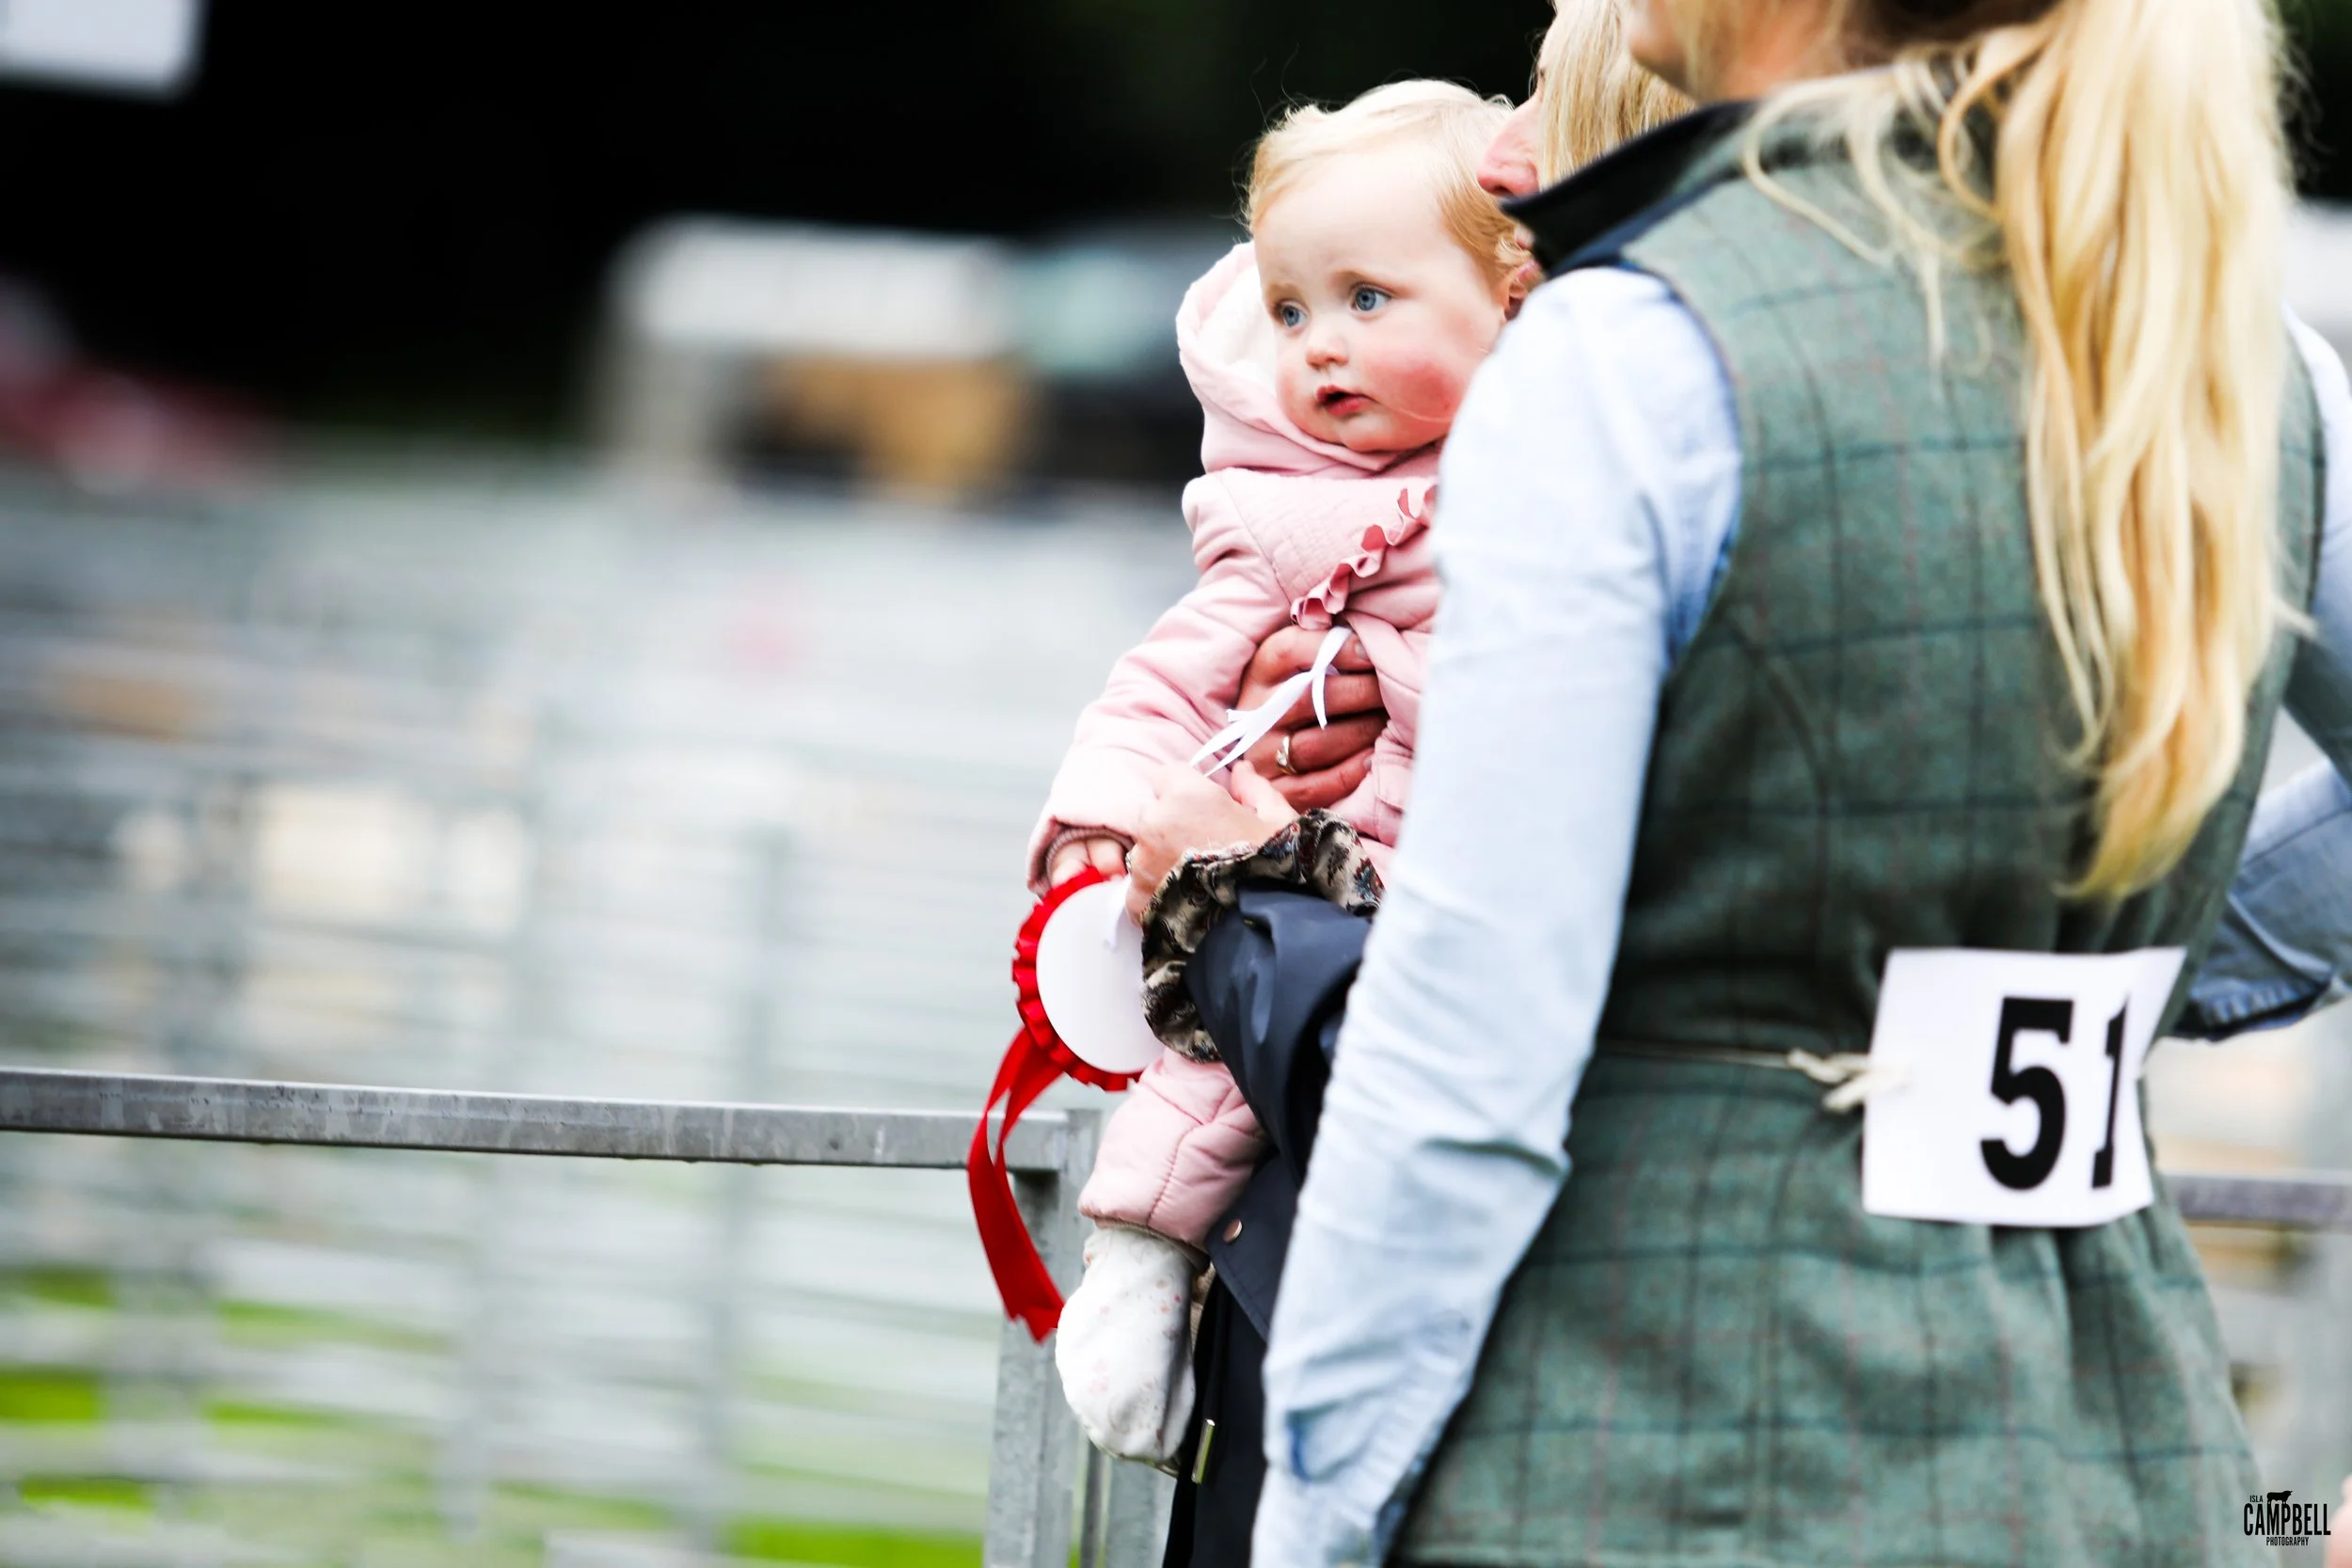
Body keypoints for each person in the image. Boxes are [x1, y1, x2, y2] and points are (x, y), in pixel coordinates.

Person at [1117, 0, 2352, 1560]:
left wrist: (1317, 1525)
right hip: (2125, 1448)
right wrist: (2037, 1010)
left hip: (1650, 1450)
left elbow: (1466, 1065)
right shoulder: (2248, 357)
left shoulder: (1626, 353)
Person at [1030, 79, 1525, 1466]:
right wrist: (1100, 818)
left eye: (1370, 299)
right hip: (1319, 877)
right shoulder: (1286, 516)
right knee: (1203, 1075)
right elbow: (1168, 675)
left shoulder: (1559, 487)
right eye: (1294, 311)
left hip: (1463, 899)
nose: (1319, 348)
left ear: (1513, 294)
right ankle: (1132, 1274)